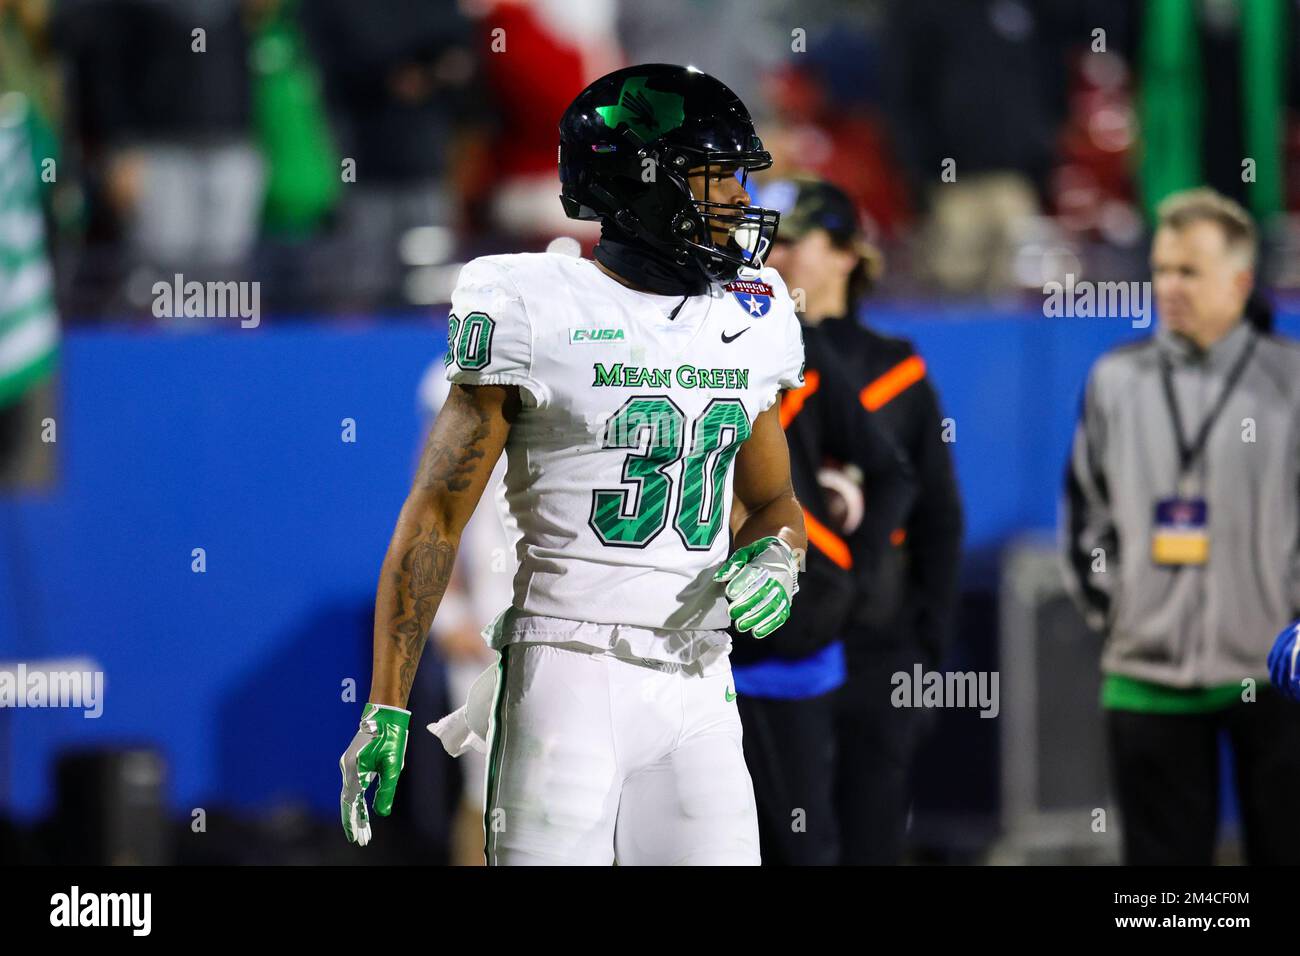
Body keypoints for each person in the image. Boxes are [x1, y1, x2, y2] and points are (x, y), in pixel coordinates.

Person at [340, 64, 807, 865]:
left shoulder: (752, 316)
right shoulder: (532, 306)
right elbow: (435, 515)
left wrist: (781, 557)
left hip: (698, 674)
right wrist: (385, 704)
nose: (735, 198)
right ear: (637, 184)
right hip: (566, 673)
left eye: (736, 177)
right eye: (711, 175)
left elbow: (773, 503)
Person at [1062, 187, 1300, 865]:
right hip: (1146, 674)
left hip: (1275, 674)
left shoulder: (1289, 381)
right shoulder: (1116, 379)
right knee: (1167, 891)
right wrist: (1125, 617)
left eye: (1188, 271)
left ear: (1239, 280)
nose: (1169, 285)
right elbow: (1085, 515)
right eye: (1162, 269)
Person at [764, 176, 963, 864]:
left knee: (871, 837)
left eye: (793, 241)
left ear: (847, 253)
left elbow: (938, 513)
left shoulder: (895, 371)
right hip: (777, 644)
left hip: (874, 646)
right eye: (768, 241)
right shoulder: (746, 357)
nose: (775, 255)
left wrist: (928, 644)